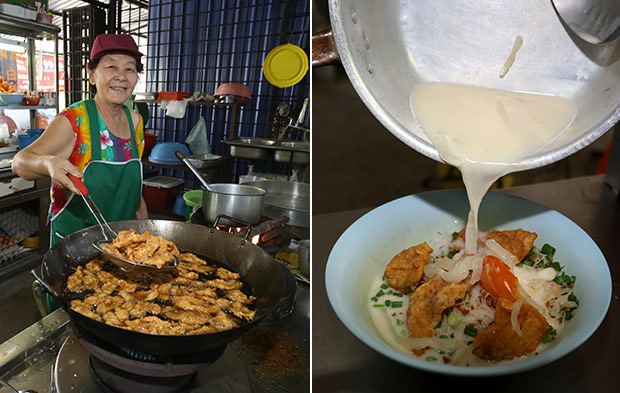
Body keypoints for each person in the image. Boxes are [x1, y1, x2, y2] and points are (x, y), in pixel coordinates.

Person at [12, 34, 148, 248]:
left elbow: (131, 184)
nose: (122, 76)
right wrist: (49, 164)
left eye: (130, 69)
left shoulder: (136, 122)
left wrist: (142, 215)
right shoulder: (75, 121)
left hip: (122, 243)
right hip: (76, 247)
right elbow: (20, 162)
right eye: (111, 66)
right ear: (91, 75)